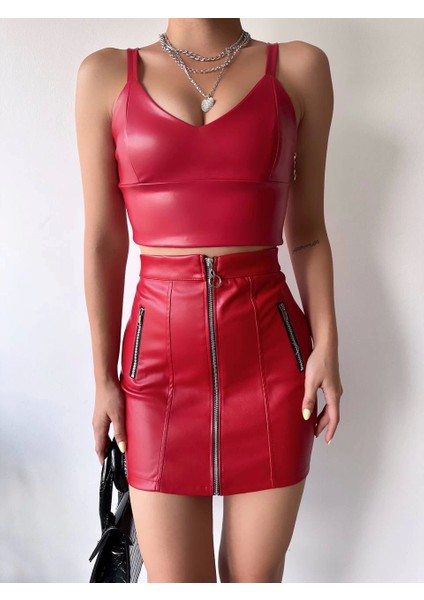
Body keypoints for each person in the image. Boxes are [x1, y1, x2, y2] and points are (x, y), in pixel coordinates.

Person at [75, 18, 343, 583]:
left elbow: (308, 232)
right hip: (155, 370)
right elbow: (104, 241)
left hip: (272, 362)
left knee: (254, 578)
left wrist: (328, 345)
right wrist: (102, 378)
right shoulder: (104, 75)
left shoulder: (301, 68)